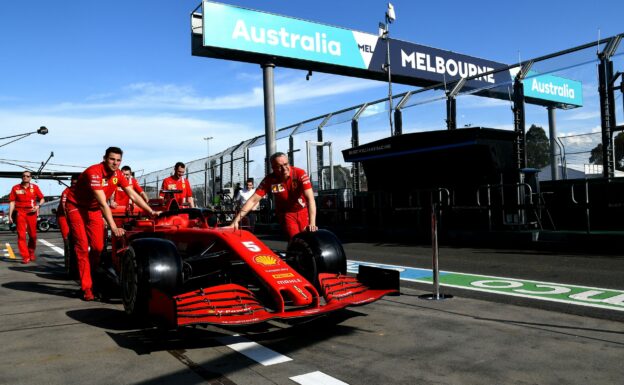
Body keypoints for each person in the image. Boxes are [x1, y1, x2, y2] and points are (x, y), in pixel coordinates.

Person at [65, 147, 159, 301]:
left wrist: (151, 212)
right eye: (112, 159)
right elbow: (103, 203)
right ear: (104, 158)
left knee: (97, 247)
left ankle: (92, 273)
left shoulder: (118, 174)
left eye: (118, 160)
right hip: (76, 206)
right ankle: (87, 288)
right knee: (82, 246)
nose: (115, 163)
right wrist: (114, 227)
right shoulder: (93, 173)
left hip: (93, 209)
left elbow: (133, 195)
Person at [229, 152, 317, 240]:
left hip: (303, 211)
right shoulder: (269, 180)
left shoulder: (300, 173)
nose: (284, 168)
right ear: (273, 168)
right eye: (279, 166)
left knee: (308, 239)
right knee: (295, 239)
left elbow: (310, 199)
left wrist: (312, 223)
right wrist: (236, 221)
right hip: (287, 214)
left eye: (286, 164)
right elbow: (253, 200)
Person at [8, 171, 45, 263]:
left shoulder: (35, 187)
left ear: (30, 178)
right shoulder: (15, 188)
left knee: (33, 235)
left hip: (32, 213)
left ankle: (31, 252)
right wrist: (10, 216)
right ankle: (25, 256)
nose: (25, 177)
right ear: (22, 177)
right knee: (21, 235)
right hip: (20, 213)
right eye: (24, 176)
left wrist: (38, 206)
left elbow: (42, 199)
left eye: (27, 176)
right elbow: (12, 202)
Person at [56, 174, 78, 242]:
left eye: (76, 183)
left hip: (75, 215)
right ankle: (68, 249)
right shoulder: (66, 192)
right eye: (72, 183)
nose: (74, 185)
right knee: (66, 236)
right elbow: (64, 207)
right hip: (63, 216)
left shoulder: (82, 191)